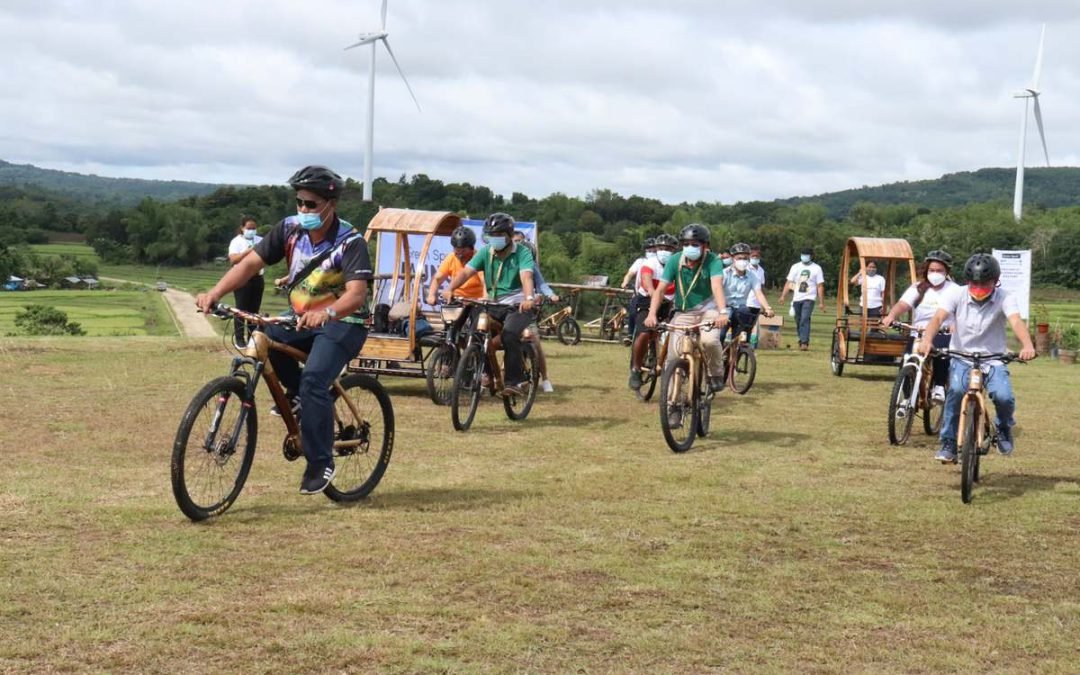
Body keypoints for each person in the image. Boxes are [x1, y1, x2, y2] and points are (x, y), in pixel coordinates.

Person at [196, 165, 372, 495]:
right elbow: (249, 264)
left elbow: (357, 294)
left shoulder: (351, 242)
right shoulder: (289, 230)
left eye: (311, 204)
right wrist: (215, 293)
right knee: (265, 337)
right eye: (299, 203)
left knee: (315, 380)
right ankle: (299, 399)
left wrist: (329, 312)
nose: (303, 210)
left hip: (344, 323)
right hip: (300, 318)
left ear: (330, 205)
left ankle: (321, 463)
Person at [917, 253, 1036, 463]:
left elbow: (1016, 321)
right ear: (967, 281)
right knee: (955, 393)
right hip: (962, 356)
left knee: (1003, 397)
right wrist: (927, 339)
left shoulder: (1005, 297)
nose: (979, 288)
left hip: (993, 358)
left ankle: (1003, 428)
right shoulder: (956, 295)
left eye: (985, 284)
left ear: (995, 282)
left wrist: (1027, 345)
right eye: (975, 283)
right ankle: (949, 444)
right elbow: (937, 318)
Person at [443, 212, 536, 397]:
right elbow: (466, 272)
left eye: (499, 235)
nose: (494, 239)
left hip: (516, 306)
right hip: (492, 304)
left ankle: (514, 381)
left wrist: (529, 299)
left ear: (509, 236)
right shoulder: (486, 252)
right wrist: (450, 288)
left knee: (509, 335)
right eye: (491, 235)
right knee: (475, 332)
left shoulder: (522, 253)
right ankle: (486, 374)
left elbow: (526, 277)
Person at [644, 224, 729, 413]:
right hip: (684, 313)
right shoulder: (675, 260)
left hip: (710, 310)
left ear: (705, 246)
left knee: (709, 340)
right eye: (687, 244)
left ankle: (715, 374)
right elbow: (660, 290)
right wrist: (651, 314)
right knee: (673, 357)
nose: (691, 247)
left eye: (695, 244)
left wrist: (723, 312)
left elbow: (716, 286)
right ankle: (673, 404)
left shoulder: (713, 261)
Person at [881, 250, 958, 403]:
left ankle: (939, 386)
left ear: (947, 272)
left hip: (943, 332)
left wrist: (955, 325)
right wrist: (891, 316)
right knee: (906, 360)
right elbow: (903, 304)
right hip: (918, 332)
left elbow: (961, 312)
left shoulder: (955, 290)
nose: (935, 273)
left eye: (939, 271)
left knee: (941, 354)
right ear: (926, 270)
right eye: (932, 270)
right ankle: (907, 398)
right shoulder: (918, 287)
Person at [627, 234, 677, 390]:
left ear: (674, 250)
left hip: (668, 302)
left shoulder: (678, 265)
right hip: (647, 300)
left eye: (668, 249)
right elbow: (646, 280)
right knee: (643, 333)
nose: (664, 251)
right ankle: (635, 369)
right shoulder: (649, 263)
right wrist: (651, 290)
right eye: (661, 248)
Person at [513, 231, 559, 393]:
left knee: (535, 343)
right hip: (507, 309)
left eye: (519, 241)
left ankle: (545, 378)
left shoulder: (530, 264)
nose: (517, 244)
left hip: (526, 310)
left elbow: (541, 284)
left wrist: (551, 295)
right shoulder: (505, 262)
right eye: (514, 241)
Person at [720, 243, 775, 344]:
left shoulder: (752, 276)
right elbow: (717, 292)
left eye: (745, 258)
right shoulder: (724, 274)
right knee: (720, 335)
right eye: (739, 258)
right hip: (724, 309)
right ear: (733, 258)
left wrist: (767, 308)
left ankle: (735, 355)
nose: (742, 261)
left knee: (741, 337)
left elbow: (759, 293)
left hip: (741, 309)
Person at [227, 216, 265, 348]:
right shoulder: (236, 242)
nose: (251, 230)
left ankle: (252, 338)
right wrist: (248, 252)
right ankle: (239, 339)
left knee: (253, 311)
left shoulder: (261, 240)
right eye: (249, 228)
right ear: (242, 228)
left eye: (254, 228)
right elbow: (233, 260)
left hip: (258, 278)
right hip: (242, 279)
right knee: (241, 309)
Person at [779, 247, 826, 351]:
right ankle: (801, 340)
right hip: (797, 298)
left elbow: (820, 285)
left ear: (811, 256)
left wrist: (821, 302)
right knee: (799, 320)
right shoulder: (795, 267)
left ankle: (804, 342)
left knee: (805, 318)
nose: (804, 256)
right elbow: (789, 282)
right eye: (803, 254)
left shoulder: (816, 268)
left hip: (809, 298)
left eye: (806, 254)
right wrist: (783, 296)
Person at [621, 238, 657, 338]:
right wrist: (625, 282)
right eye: (649, 250)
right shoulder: (640, 262)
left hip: (657, 295)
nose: (652, 253)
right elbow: (630, 273)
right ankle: (630, 334)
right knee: (633, 312)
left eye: (654, 251)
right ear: (645, 251)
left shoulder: (660, 263)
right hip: (640, 294)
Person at [745, 245, 766, 347]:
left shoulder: (761, 270)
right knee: (743, 324)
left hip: (756, 303)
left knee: (751, 325)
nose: (755, 258)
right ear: (749, 256)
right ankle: (741, 343)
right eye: (753, 256)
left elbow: (762, 287)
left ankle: (747, 344)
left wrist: (763, 305)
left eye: (757, 256)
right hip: (746, 301)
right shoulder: (746, 268)